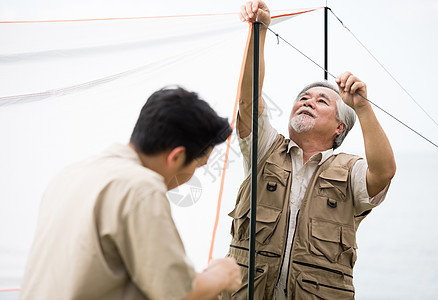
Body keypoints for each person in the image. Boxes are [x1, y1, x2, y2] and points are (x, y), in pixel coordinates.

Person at [223, 1, 396, 299]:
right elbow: (248, 102)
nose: (307, 101)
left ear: (339, 127)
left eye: (321, 101)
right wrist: (259, 30)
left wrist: (363, 107)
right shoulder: (264, 149)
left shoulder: (351, 170)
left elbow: (383, 172)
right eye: (303, 97)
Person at [19, 87, 242, 300]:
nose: (193, 175)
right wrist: (220, 274)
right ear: (176, 157)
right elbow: (178, 293)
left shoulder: (69, 175)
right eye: (199, 165)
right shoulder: (141, 188)